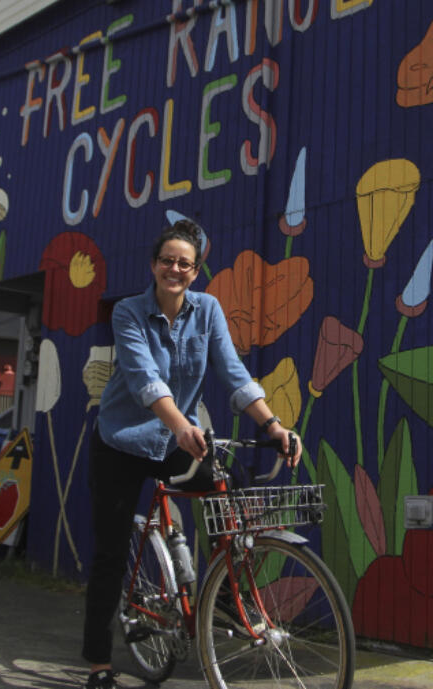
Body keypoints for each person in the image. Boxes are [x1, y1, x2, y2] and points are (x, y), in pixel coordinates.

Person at [82, 220, 301, 689]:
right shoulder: (128, 312)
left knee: (228, 493)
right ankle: (100, 663)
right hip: (121, 441)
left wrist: (273, 424)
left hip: (173, 440)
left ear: (196, 271)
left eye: (185, 263)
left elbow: (233, 373)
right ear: (153, 265)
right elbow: (144, 380)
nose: (174, 269)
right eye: (167, 261)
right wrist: (183, 425)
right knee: (110, 552)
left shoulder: (208, 310)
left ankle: (224, 597)